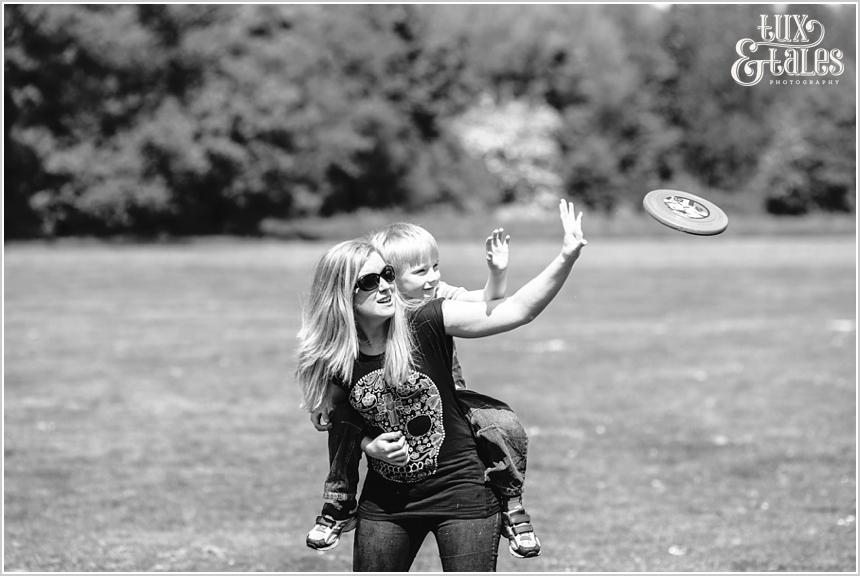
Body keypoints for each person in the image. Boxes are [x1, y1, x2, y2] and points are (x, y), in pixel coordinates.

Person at [296, 199, 586, 572]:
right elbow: (346, 422)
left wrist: (567, 256)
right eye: (370, 281)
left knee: (500, 422)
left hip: (463, 495)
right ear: (343, 293)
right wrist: (371, 445)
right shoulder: (335, 355)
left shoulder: (425, 319)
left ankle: (511, 503)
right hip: (386, 505)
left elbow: (516, 310)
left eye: (387, 274)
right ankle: (337, 507)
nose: (386, 286)